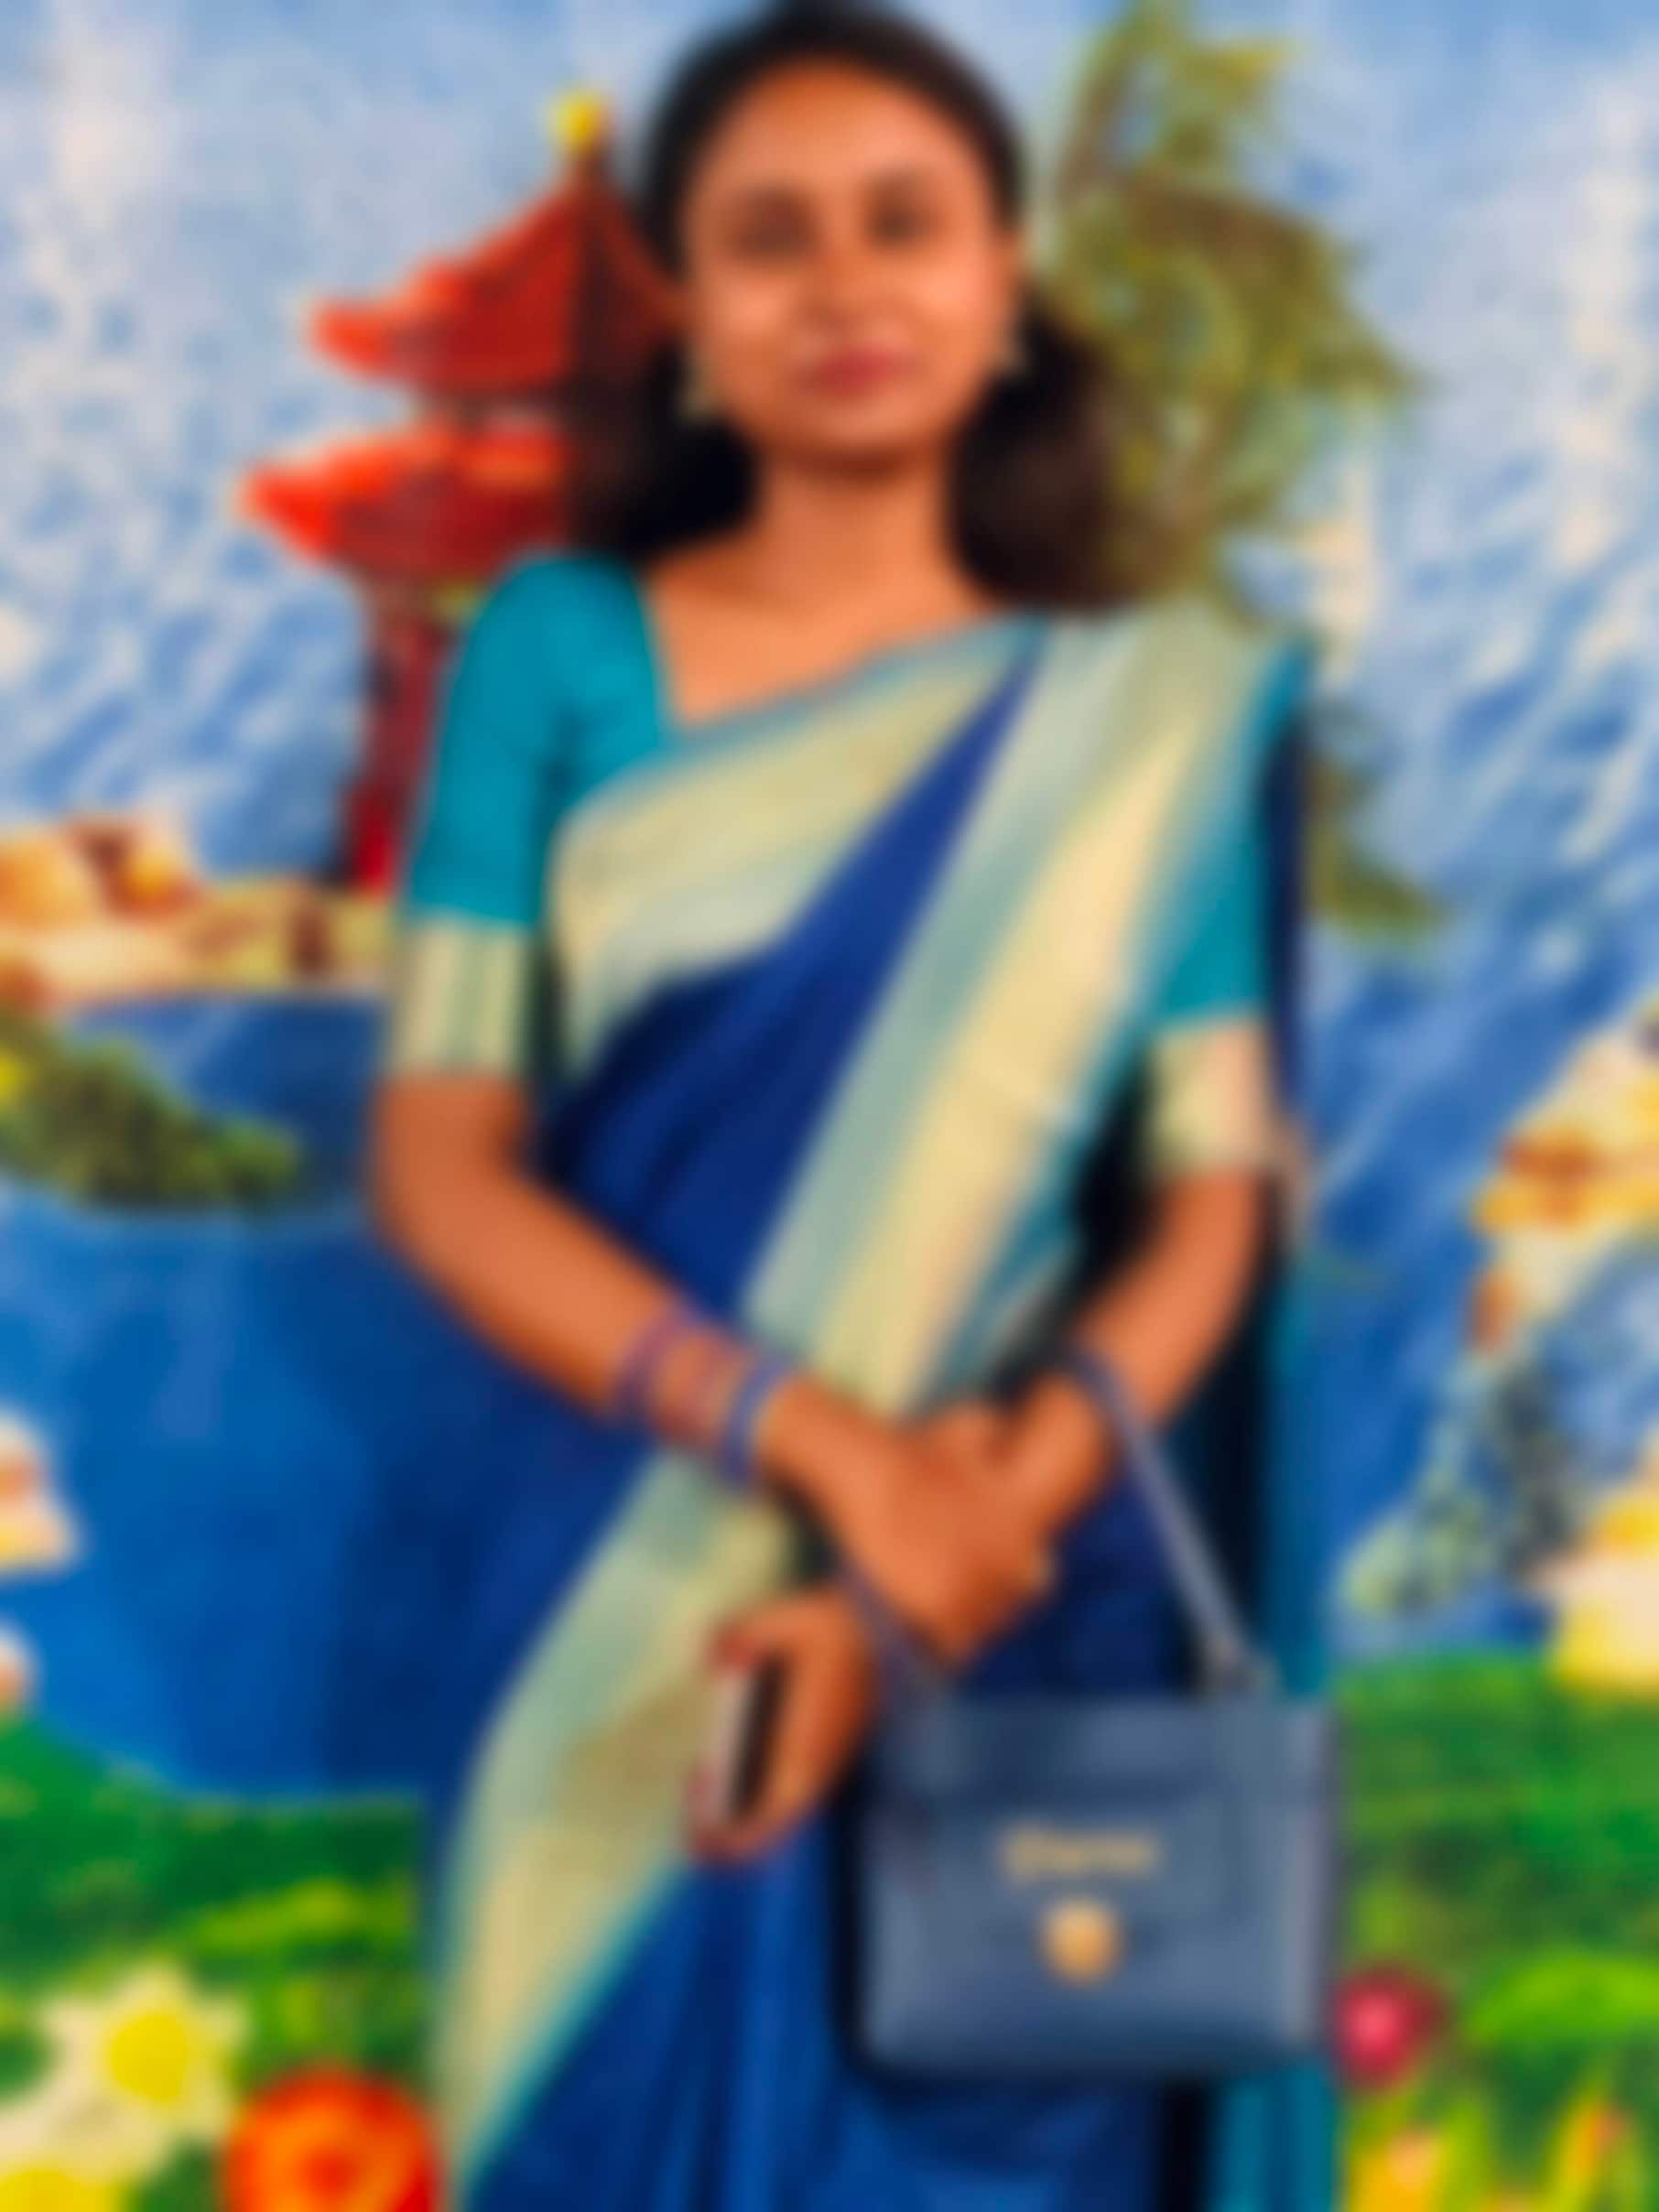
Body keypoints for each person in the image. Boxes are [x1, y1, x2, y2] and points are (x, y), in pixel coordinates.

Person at [368, 8, 1322, 2207]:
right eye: (771, 239)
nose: (847, 287)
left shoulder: (1136, 722)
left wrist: (929, 1563)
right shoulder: (561, 649)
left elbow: (1209, 1203)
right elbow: (437, 1161)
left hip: (1009, 1599)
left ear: (1006, 282)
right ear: (688, 314)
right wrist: (833, 1460)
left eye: (907, 226)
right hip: (623, 1582)